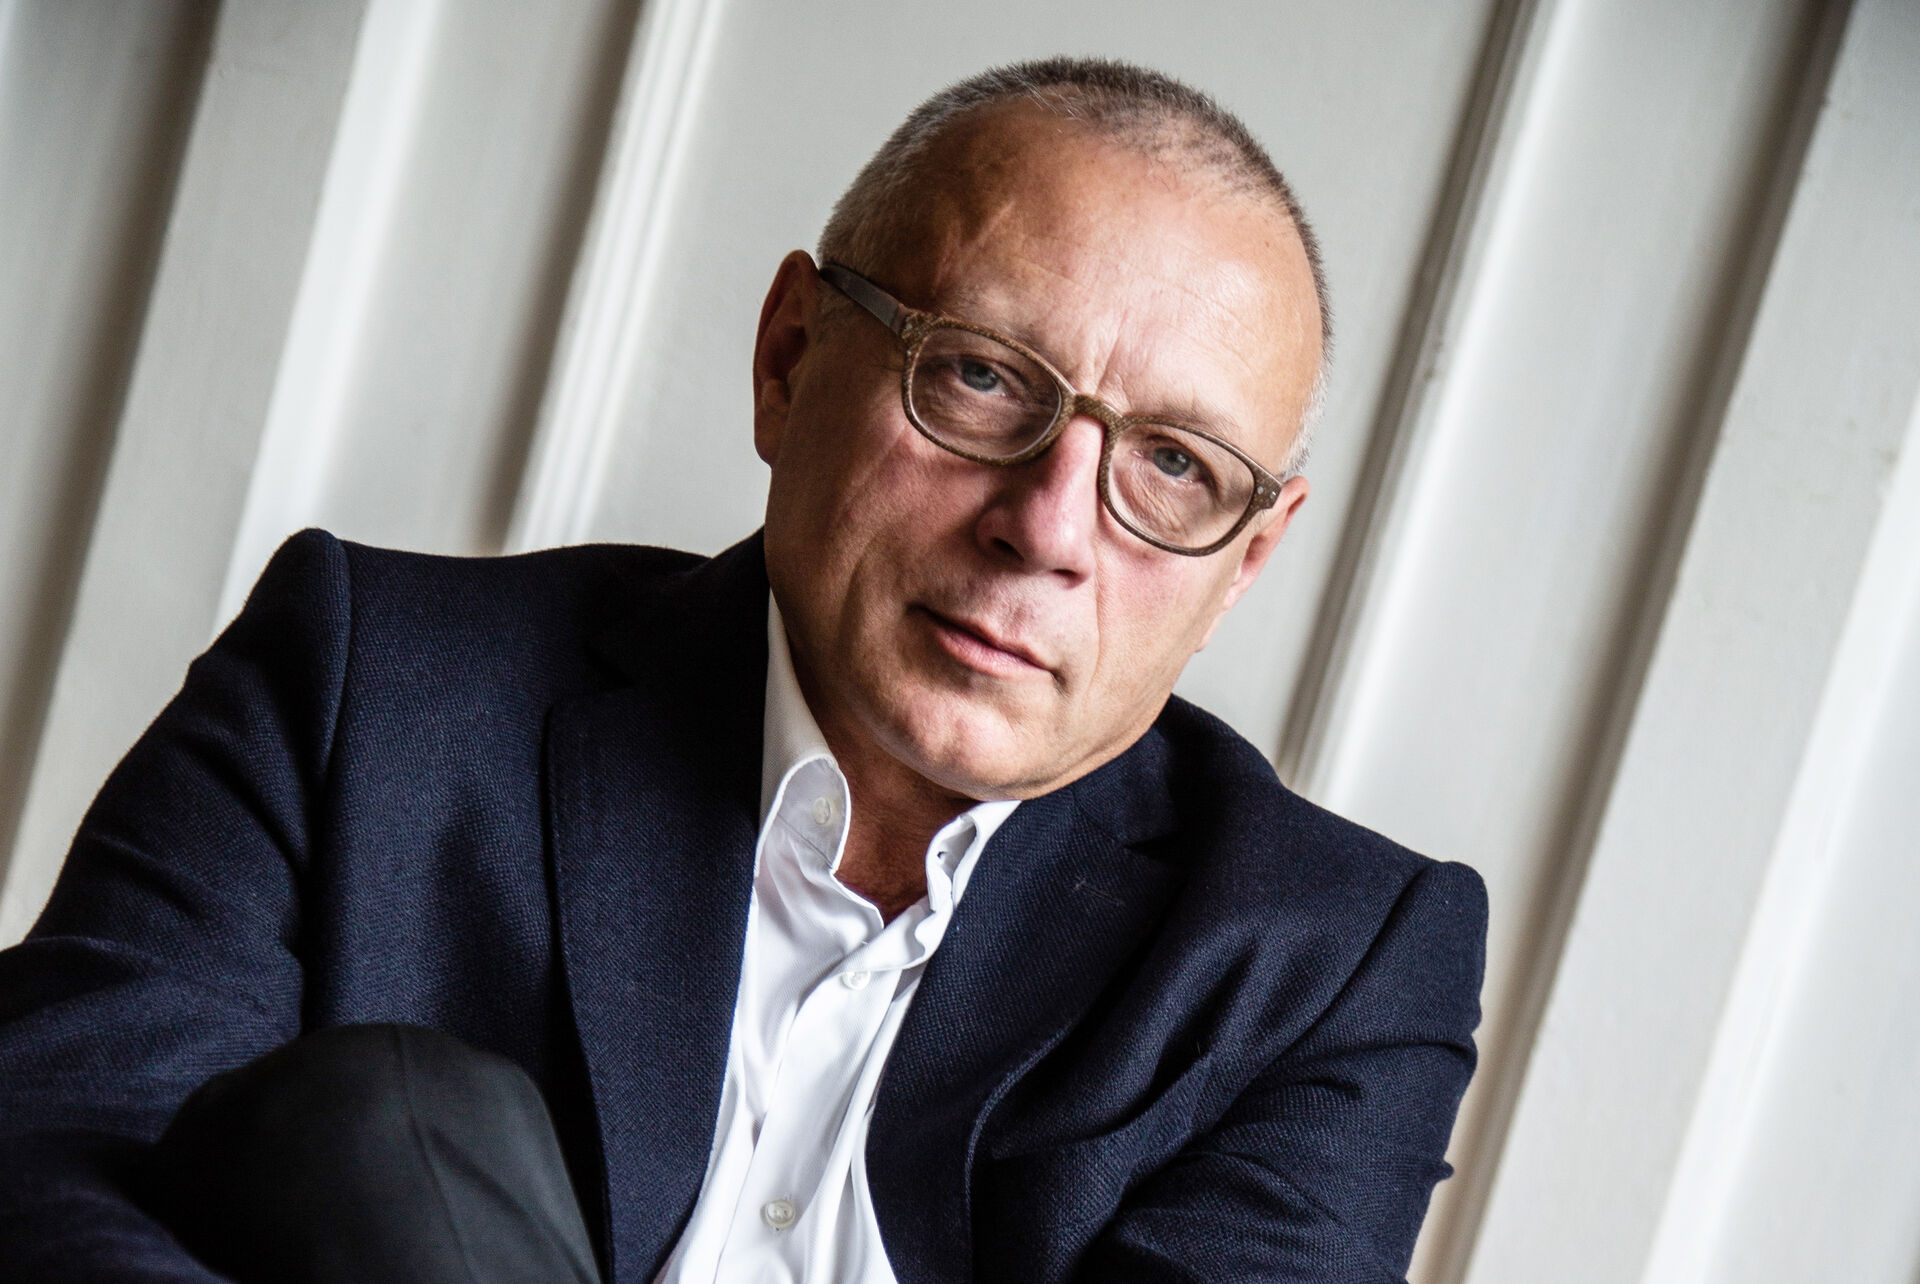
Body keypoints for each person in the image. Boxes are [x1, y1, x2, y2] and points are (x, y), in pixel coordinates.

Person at [0, 57, 1486, 1284]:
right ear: (789, 358)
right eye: (979, 375)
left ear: (1247, 559)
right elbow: (51, 1166)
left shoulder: (1331, 966)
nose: (1046, 529)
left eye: (1172, 466)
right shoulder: (366, 685)